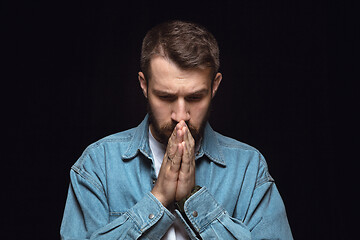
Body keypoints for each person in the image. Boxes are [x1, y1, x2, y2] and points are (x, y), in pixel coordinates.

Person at [60, 20, 293, 240]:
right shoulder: (97, 164)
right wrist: (158, 198)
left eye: (195, 97)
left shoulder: (248, 169)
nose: (180, 115)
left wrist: (193, 200)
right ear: (144, 85)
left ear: (215, 86)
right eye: (165, 96)